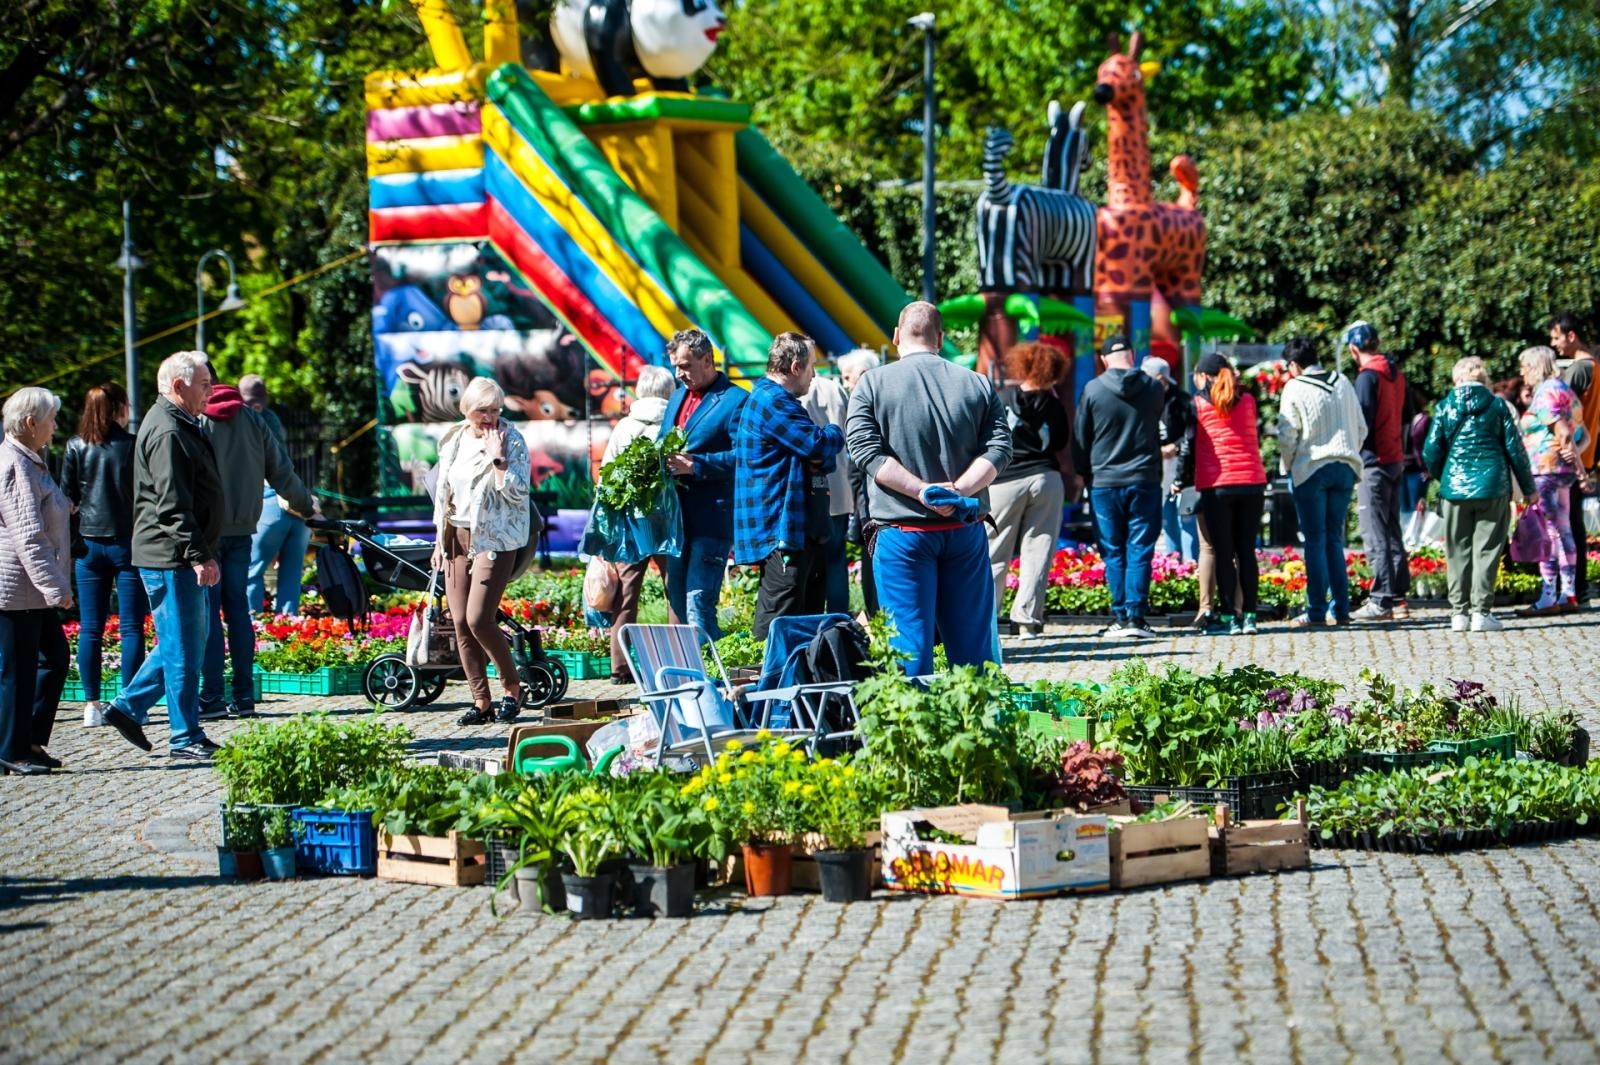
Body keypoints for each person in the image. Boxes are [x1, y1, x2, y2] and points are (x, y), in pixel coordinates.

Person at [846, 302, 1011, 674]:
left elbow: (864, 452)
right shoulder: (978, 382)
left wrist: (922, 491)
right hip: (965, 530)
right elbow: (1001, 447)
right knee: (973, 652)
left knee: (907, 648)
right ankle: (976, 724)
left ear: (896, 337)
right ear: (940, 338)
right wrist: (960, 490)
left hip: (903, 534)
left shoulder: (871, 384)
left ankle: (914, 728)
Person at [101, 352, 224, 760]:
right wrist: (199, 555)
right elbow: (172, 505)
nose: (210, 390)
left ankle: (128, 706)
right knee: (184, 649)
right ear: (178, 386)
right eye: (204, 384)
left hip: (175, 552)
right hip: (170, 555)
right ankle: (184, 736)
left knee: (183, 641)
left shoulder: (180, 422)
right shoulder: (169, 430)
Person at [199, 378, 319, 718]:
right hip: (245, 524)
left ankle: (210, 697)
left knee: (210, 612)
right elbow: (281, 469)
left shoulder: (196, 418)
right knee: (238, 610)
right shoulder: (255, 419)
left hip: (210, 530)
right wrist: (306, 506)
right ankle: (244, 696)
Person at [430, 377, 533, 725]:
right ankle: (481, 701)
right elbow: (443, 493)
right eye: (481, 411)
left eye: (494, 409)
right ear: (467, 410)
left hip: (495, 538)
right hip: (455, 535)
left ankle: (512, 688)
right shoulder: (454, 439)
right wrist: (438, 540)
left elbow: (519, 494)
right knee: (459, 621)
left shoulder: (512, 440)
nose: (489, 417)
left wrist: (498, 460)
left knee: (478, 618)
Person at [734, 332, 846, 639]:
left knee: (801, 620)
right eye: (811, 367)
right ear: (796, 366)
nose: (814, 376)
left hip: (792, 526)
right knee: (778, 620)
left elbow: (819, 458)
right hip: (780, 527)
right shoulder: (774, 402)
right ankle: (768, 684)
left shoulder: (773, 400)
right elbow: (817, 445)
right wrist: (834, 430)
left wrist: (816, 453)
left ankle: (795, 683)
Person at [1423, 357, 1534, 632]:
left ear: (1456, 379)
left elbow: (1430, 451)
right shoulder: (1498, 406)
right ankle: (1481, 613)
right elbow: (1515, 451)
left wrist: (1445, 476)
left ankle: (1458, 614)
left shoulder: (1445, 407)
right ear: (1483, 378)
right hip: (1492, 486)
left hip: (1454, 490)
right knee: (1487, 551)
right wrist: (1529, 489)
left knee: (1457, 550)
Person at [61, 382, 146, 727]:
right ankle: (127, 702)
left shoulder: (75, 446)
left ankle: (91, 704)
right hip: (126, 543)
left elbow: (66, 499)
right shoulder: (131, 445)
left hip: (88, 545)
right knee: (131, 628)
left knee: (91, 629)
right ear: (118, 409)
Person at [0, 388, 73, 774]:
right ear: (31, 423)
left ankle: (27, 740)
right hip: (18, 589)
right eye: (51, 419)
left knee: (54, 660)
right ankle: (11, 750)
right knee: (19, 670)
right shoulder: (15, 465)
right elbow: (28, 534)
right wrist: (56, 587)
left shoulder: (33, 460)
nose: (55, 426)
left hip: (33, 589)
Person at [1071, 335, 1164, 639]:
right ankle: (1136, 618)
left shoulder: (1093, 389)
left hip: (1104, 480)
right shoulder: (1153, 387)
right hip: (1145, 478)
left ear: (1103, 359)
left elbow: (1081, 438)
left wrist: (1084, 473)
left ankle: (1121, 617)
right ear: (1133, 354)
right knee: (1140, 548)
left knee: (1113, 550)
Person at [660, 329, 747, 643]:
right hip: (677, 520)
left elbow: (745, 457)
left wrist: (697, 466)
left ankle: (714, 677)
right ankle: (687, 677)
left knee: (699, 604)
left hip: (712, 519)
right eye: (675, 366)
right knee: (679, 602)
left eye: (684, 366)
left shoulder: (736, 400)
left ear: (708, 360)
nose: (678, 373)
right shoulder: (677, 397)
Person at [1276, 337, 1366, 627]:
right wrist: (1349, 450)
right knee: (1334, 539)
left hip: (1312, 466)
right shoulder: (1342, 381)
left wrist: (1289, 464)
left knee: (1314, 540)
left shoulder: (1295, 386)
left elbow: (1287, 433)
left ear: (1293, 364)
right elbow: (1361, 426)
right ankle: (1341, 609)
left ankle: (1316, 610)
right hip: (1345, 465)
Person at [1177, 353, 1268, 635]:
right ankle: (1250, 616)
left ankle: (1229, 618)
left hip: (1217, 485)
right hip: (1252, 482)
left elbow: (1188, 446)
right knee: (1246, 552)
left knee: (1224, 552)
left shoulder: (1199, 404)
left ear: (1204, 376)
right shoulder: (1249, 401)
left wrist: (1180, 479)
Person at [987, 342, 1070, 638]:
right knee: (1039, 549)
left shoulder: (1002, 397)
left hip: (1004, 481)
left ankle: (988, 618)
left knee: (995, 550)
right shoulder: (1054, 404)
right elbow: (1060, 442)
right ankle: (1027, 620)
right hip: (1045, 478)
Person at [601, 365, 677, 684]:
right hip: (670, 520)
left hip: (632, 523)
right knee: (676, 591)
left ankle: (619, 668)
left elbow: (606, 476)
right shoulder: (675, 426)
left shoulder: (624, 427)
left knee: (627, 595)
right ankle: (678, 660)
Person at [1516, 345, 1589, 616]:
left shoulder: (1545, 393)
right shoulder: (1566, 391)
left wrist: (1567, 450)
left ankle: (1548, 596)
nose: (1522, 373)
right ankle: (1568, 593)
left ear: (1536, 366)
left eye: (1525, 366)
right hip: (1563, 473)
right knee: (1564, 529)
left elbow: (1562, 433)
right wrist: (1578, 468)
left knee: (1545, 532)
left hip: (1544, 470)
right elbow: (1584, 437)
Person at [1347, 320, 1412, 622]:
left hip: (1374, 462)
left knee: (1374, 532)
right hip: (1395, 457)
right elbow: (1408, 415)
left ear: (1353, 349)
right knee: (1392, 530)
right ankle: (1399, 597)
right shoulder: (1395, 374)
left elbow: (1362, 422)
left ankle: (1381, 599)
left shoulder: (1367, 377)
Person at [242, 375, 313, 616]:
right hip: (296, 502)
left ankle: (252, 621)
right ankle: (287, 622)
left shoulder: (243, 419)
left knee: (252, 569)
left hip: (269, 500)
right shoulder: (273, 419)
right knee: (292, 572)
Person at [802, 367, 854, 616]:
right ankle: (839, 619)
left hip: (812, 491)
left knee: (811, 565)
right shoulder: (835, 388)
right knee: (836, 561)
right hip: (840, 487)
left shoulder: (796, 392)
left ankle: (812, 621)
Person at [1552, 313, 1596, 606]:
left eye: (1556, 337)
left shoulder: (1579, 370)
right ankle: (1578, 588)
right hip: (1586, 453)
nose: (1553, 343)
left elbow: (1562, 411)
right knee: (1574, 524)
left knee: (1566, 525)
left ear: (1571, 336)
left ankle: (1573, 588)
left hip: (1570, 454)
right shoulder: (1595, 366)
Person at [837, 349, 882, 617]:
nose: (844, 384)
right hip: (868, 497)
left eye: (847, 377)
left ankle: (878, 619)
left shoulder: (864, 404)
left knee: (873, 561)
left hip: (871, 499)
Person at [1142, 356, 1197, 562]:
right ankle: (1173, 562)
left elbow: (1192, 431)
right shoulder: (1144, 400)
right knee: (1167, 517)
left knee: (1186, 518)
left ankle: (1191, 563)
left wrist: (1176, 446)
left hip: (1180, 463)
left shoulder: (1182, 400)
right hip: (1158, 465)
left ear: (1160, 379)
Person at [1401, 382, 1431, 515]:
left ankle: (1411, 536)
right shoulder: (1423, 420)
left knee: (1408, 511)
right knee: (1415, 511)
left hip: (1407, 468)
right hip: (1415, 469)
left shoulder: (1399, 420)